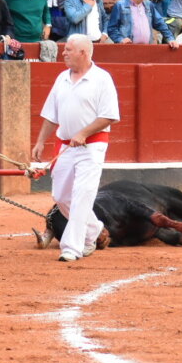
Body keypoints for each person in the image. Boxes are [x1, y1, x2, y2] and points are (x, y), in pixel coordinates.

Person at [32, 34, 120, 262]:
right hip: (65, 147)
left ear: (83, 53)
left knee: (82, 195)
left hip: (92, 147)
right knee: (61, 196)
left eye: (69, 50)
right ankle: (93, 231)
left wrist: (83, 133)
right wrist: (41, 140)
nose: (64, 53)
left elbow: (109, 115)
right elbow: (51, 114)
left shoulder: (102, 79)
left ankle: (72, 247)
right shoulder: (62, 78)